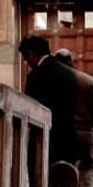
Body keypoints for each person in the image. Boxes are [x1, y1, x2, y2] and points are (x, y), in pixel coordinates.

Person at [54, 49, 93, 187]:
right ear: (71, 60)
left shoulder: (56, 81)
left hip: (64, 131)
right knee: (87, 163)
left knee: (66, 163)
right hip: (85, 131)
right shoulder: (86, 80)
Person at [20, 35, 80, 170]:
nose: (26, 63)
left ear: (30, 53)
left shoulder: (36, 75)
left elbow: (31, 110)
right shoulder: (69, 73)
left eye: (25, 58)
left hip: (44, 143)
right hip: (68, 141)